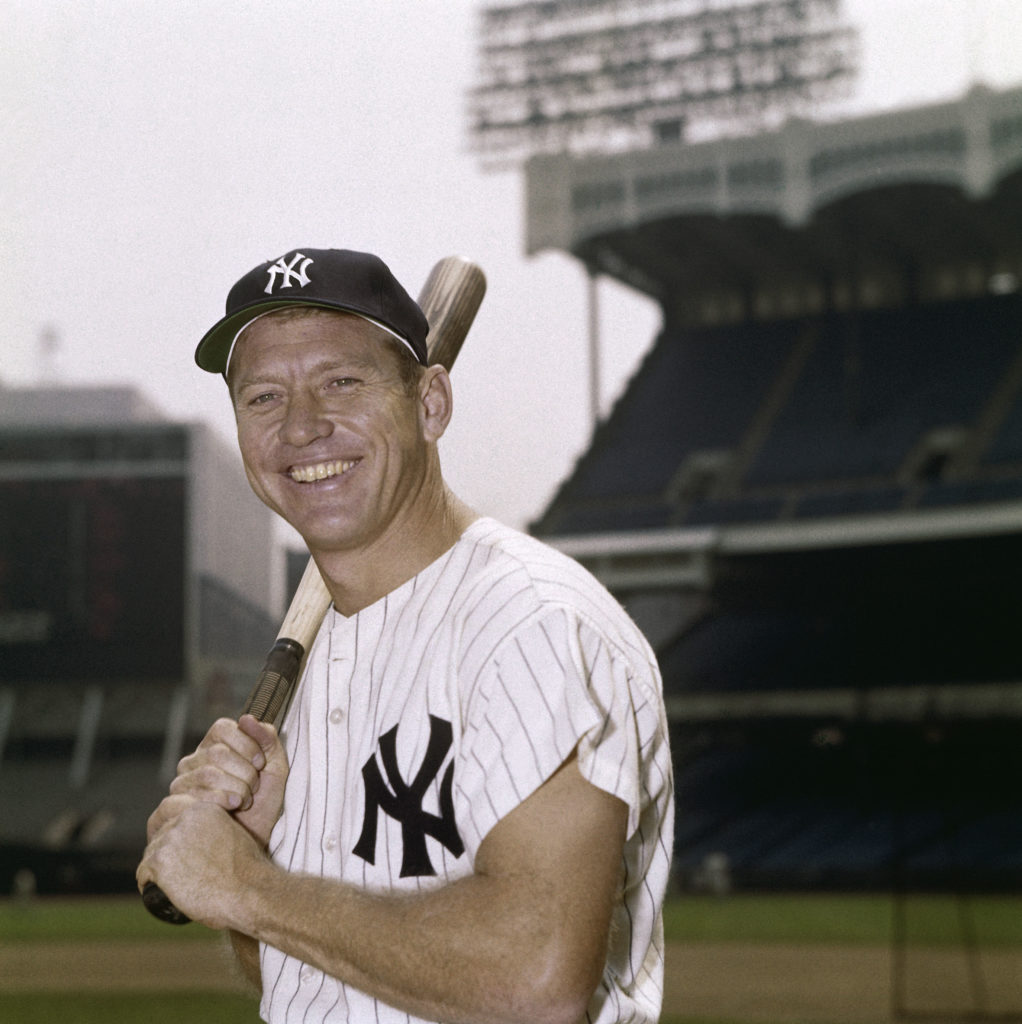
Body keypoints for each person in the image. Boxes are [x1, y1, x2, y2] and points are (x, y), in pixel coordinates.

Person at [137, 247, 674, 1024]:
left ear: (430, 404)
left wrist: (251, 888)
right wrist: (252, 864)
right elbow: (319, 982)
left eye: (341, 383)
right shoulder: (323, 656)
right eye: (263, 397)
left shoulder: (535, 626)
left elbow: (535, 982)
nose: (302, 426)